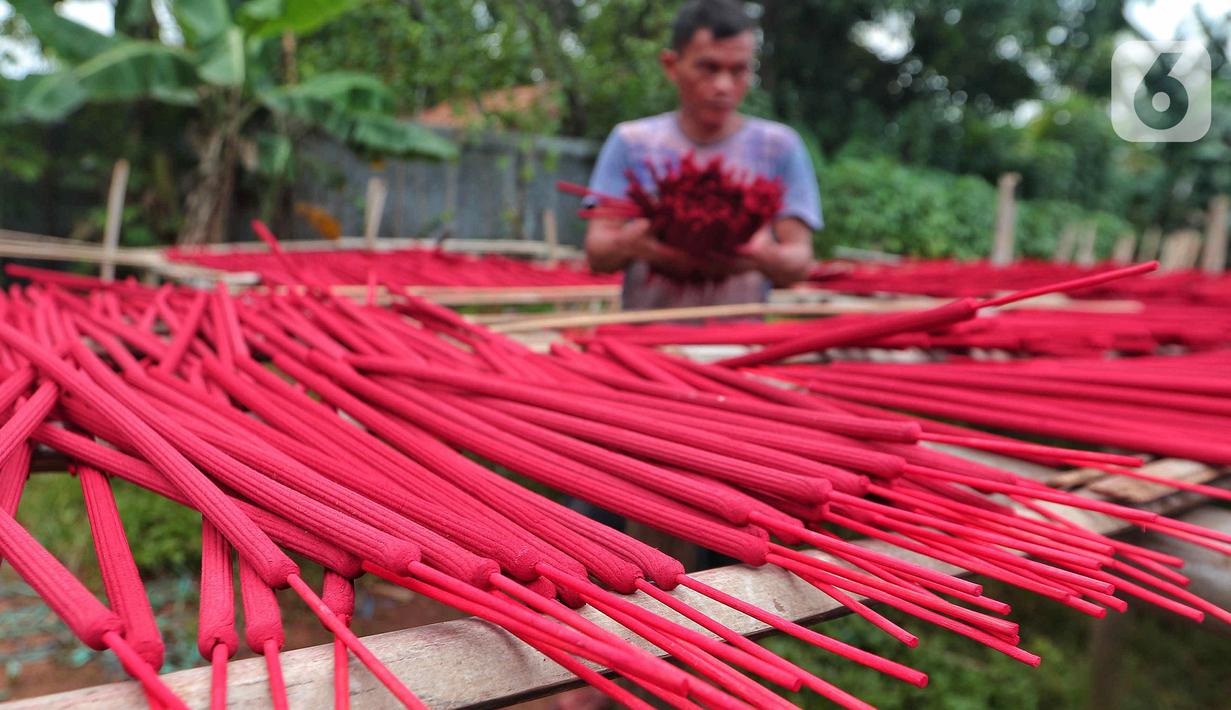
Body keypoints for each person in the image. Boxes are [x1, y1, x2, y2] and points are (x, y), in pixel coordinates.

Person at [584, 0, 822, 311]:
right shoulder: (632, 142)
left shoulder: (779, 147)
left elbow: (799, 261)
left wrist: (759, 252)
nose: (723, 86)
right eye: (708, 68)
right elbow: (597, 252)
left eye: (738, 70)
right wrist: (636, 242)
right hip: (645, 341)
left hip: (742, 344)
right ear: (672, 66)